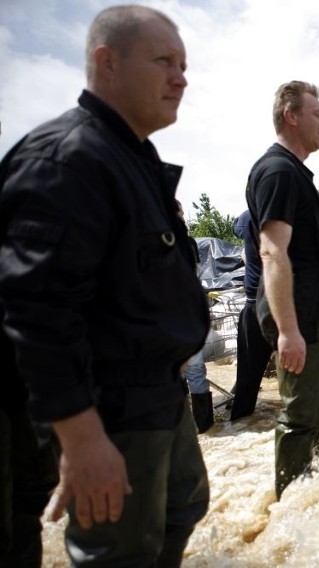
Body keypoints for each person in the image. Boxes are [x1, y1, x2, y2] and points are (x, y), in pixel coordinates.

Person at [0, 5, 210, 566]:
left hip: (158, 394)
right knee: (118, 553)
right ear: (106, 62)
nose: (180, 78)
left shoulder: (133, 159)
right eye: (164, 61)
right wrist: (81, 436)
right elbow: (35, 310)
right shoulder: (67, 159)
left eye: (184, 65)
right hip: (108, 408)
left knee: (181, 510)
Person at [246, 80, 319, 498]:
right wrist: (288, 331)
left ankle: (311, 498)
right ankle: (292, 512)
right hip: (297, 319)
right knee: (302, 418)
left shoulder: (295, 173)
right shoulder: (279, 171)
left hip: (313, 318)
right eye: (318, 114)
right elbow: (272, 252)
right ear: (291, 115)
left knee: (316, 414)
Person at [229, 209, 274, 421]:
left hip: (254, 305)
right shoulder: (289, 214)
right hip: (285, 305)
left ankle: (240, 423)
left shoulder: (247, 217)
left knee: (248, 376)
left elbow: (235, 227)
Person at [177, 199, 214, 433]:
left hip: (180, 315)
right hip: (183, 315)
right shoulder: (182, 241)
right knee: (194, 371)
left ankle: (195, 427)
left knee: (189, 371)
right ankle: (202, 427)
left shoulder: (185, 242)